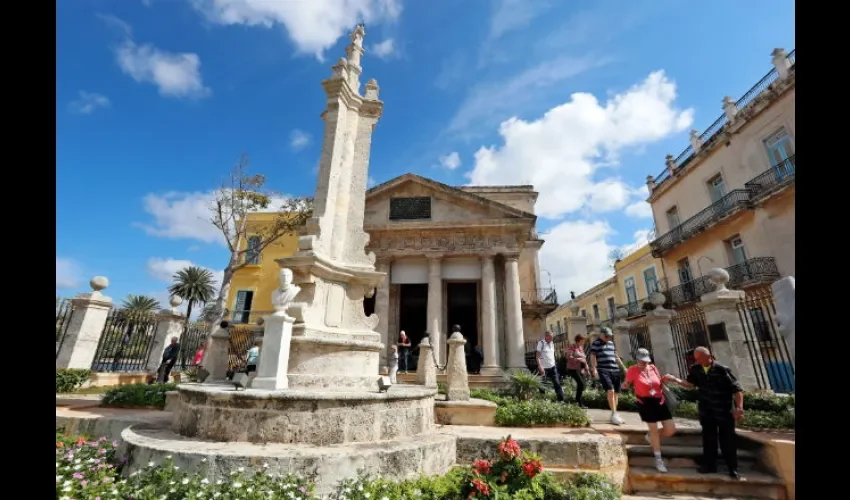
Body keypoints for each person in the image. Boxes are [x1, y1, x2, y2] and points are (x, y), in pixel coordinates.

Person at [667, 346, 744, 479]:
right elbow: (690, 384)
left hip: (723, 411)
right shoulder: (695, 369)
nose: (698, 361)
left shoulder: (722, 369)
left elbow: (737, 389)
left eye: (700, 358)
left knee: (728, 440)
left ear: (709, 356)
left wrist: (739, 408)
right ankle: (710, 466)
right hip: (706, 411)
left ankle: (733, 468)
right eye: (696, 359)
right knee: (709, 439)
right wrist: (675, 380)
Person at [622, 348, 677, 473]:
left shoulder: (653, 368)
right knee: (653, 429)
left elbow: (658, 383)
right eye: (642, 361)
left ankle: (650, 436)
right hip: (645, 402)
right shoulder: (632, 370)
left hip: (659, 400)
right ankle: (658, 459)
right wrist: (624, 385)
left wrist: (664, 380)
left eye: (646, 360)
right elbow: (627, 383)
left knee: (670, 430)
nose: (644, 363)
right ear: (637, 359)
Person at [589, 327, 628, 425]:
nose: (608, 338)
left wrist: (624, 368)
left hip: (615, 370)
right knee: (610, 391)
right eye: (606, 336)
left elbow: (616, 356)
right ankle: (614, 414)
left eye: (609, 336)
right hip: (603, 370)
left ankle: (614, 414)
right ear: (601, 335)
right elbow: (592, 356)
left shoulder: (611, 343)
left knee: (616, 393)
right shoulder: (596, 343)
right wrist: (594, 368)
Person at [535, 331, 566, 402]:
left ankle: (561, 400)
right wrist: (540, 367)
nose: (552, 338)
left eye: (552, 337)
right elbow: (537, 356)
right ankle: (542, 401)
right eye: (551, 337)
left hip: (552, 367)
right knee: (543, 385)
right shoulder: (541, 343)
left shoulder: (552, 344)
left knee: (557, 383)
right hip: (544, 368)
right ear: (546, 336)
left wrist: (554, 363)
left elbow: (552, 355)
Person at [565, 334, 589, 408]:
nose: (583, 342)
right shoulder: (573, 346)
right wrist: (578, 359)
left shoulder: (581, 348)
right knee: (581, 384)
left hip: (580, 369)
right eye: (582, 341)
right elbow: (569, 356)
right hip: (572, 368)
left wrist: (586, 368)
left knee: (583, 385)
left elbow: (584, 359)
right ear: (578, 340)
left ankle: (577, 400)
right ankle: (578, 402)